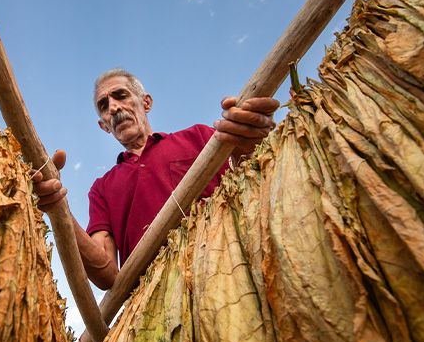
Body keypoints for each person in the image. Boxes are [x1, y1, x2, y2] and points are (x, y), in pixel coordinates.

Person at [33, 68, 278, 290]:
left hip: (231, 270)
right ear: (103, 126)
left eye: (121, 95)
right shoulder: (101, 189)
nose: (114, 108)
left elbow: (252, 185)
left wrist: (251, 142)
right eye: (104, 105)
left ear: (146, 102)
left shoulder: (201, 137)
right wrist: (58, 209)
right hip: (154, 299)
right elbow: (106, 275)